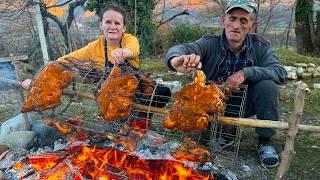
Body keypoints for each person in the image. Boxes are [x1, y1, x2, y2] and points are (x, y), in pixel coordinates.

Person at [165, 0, 287, 168]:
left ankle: (264, 141)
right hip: (212, 106)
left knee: (268, 86)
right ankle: (223, 132)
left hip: (246, 104)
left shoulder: (261, 46)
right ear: (223, 21)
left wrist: (248, 72)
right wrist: (175, 60)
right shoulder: (209, 43)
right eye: (232, 18)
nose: (236, 25)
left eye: (243, 20)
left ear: (252, 26)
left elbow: (280, 72)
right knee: (196, 139)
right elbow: (182, 49)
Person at [22, 4, 171, 129]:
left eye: (117, 23)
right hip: (112, 92)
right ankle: (123, 122)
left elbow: (134, 49)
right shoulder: (94, 47)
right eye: (108, 22)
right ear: (101, 25)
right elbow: (63, 61)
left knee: (164, 92)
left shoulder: (129, 39)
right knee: (116, 125)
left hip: (137, 88)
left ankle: (142, 116)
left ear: (124, 27)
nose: (112, 26)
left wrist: (123, 52)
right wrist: (34, 81)